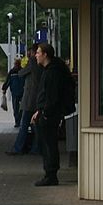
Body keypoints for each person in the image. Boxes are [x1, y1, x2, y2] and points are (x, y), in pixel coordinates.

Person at [31, 42, 68, 186]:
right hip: (46, 113)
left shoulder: (52, 72)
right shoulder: (50, 70)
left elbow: (51, 96)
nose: (36, 55)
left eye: (38, 53)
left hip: (48, 115)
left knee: (48, 144)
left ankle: (51, 174)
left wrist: (43, 111)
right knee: (47, 143)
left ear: (45, 55)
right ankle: (49, 173)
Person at [6, 43, 41, 155]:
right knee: (35, 125)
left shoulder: (32, 61)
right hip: (37, 98)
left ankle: (18, 148)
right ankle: (36, 148)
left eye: (30, 51)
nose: (29, 53)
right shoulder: (41, 64)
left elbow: (21, 73)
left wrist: (21, 67)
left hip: (30, 99)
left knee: (24, 125)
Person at [1, 58, 24, 127]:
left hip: (15, 92)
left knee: (15, 108)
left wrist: (4, 89)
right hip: (22, 92)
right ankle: (20, 121)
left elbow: (7, 81)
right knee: (22, 107)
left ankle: (17, 122)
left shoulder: (12, 72)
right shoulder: (22, 71)